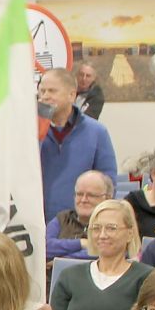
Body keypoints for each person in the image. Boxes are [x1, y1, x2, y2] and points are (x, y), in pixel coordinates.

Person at [51, 200, 153, 310]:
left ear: (130, 233)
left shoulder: (146, 278)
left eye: (111, 228)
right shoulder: (69, 277)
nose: (102, 235)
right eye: (96, 228)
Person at [39, 68, 117, 221]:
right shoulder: (30, 132)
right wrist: (39, 129)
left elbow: (108, 182)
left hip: (81, 224)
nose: (45, 97)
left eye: (52, 91)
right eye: (42, 91)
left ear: (72, 95)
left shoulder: (96, 132)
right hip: (38, 224)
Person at [46, 170, 114, 261]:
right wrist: (81, 243)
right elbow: (44, 247)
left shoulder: (114, 223)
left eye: (91, 195)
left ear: (107, 198)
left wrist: (59, 261)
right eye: (79, 194)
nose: (83, 200)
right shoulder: (62, 219)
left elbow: (104, 251)